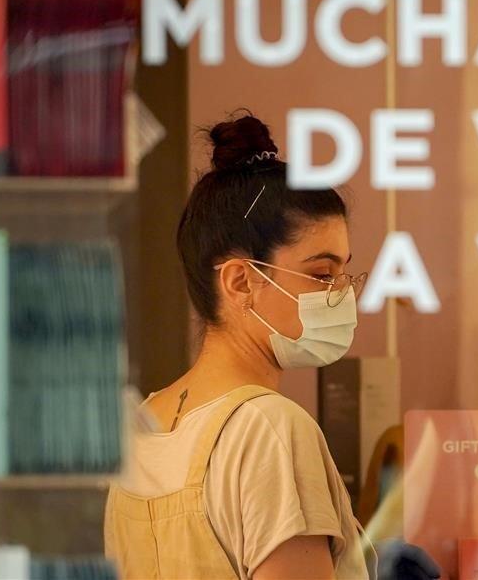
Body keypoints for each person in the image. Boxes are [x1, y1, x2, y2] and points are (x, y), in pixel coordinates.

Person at [104, 111, 436, 579]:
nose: (341, 295)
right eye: (322, 275)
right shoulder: (269, 428)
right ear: (241, 282)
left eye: (344, 275)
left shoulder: (139, 426)